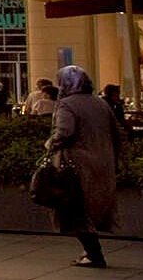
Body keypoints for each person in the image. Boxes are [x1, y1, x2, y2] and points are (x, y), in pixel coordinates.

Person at [50, 66, 127, 267]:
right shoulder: (100, 103)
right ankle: (90, 252)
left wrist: (50, 144)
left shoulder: (66, 105)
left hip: (77, 165)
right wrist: (117, 157)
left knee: (75, 208)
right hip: (104, 162)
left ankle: (94, 254)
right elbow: (118, 132)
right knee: (91, 207)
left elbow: (64, 132)